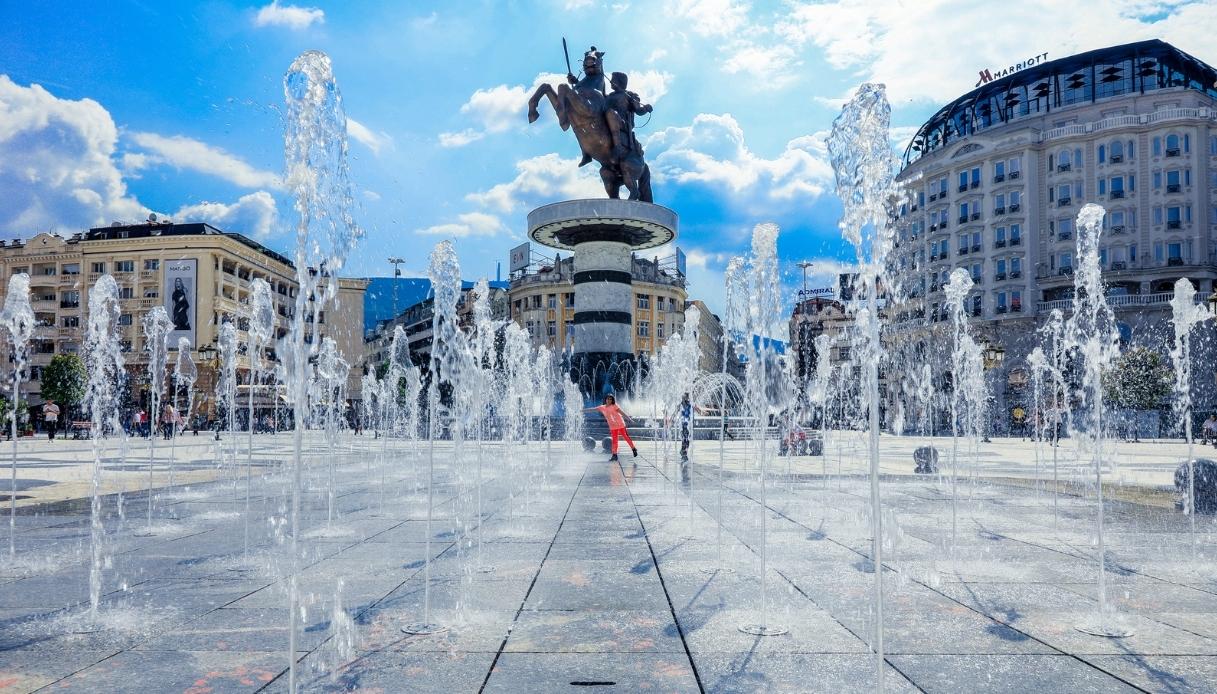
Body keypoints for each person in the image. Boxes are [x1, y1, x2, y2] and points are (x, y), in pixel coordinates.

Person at [586, 394, 637, 462]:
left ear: (612, 400)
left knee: (626, 437)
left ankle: (633, 449)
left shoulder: (614, 405)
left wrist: (629, 419)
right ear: (605, 400)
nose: (609, 400)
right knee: (615, 441)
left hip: (620, 424)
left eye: (611, 399)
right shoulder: (602, 407)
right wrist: (582, 410)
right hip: (613, 426)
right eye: (608, 399)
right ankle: (614, 455)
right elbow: (593, 409)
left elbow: (622, 413)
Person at [677, 393, 701, 462]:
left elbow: (698, 410)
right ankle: (684, 453)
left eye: (686, 398)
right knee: (685, 439)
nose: (686, 399)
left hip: (689, 425)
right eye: (684, 398)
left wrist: (702, 412)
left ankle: (683, 452)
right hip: (683, 425)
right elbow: (675, 412)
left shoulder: (691, 404)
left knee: (687, 439)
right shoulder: (681, 405)